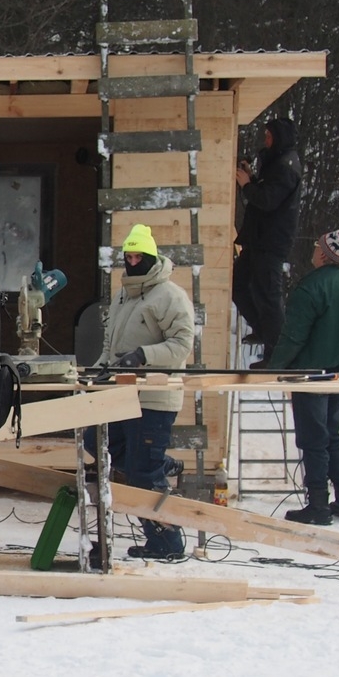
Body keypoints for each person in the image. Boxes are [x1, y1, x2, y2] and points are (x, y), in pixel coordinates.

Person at [94, 224, 196, 560]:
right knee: (98, 446)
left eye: (140, 257)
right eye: (129, 256)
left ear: (152, 258)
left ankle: (167, 543)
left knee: (141, 474)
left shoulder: (169, 296)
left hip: (154, 398)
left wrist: (144, 356)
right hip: (121, 394)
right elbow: (112, 344)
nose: (133, 262)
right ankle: (161, 463)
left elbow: (182, 344)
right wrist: (99, 369)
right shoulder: (125, 294)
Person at [267, 226, 339, 525]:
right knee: (331, 437)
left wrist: (274, 368)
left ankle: (317, 505)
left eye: (318, 246)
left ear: (326, 253)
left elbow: (294, 335)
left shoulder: (312, 287)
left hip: (312, 374)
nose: (314, 250)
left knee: (314, 440)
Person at [232, 119, 302, 351]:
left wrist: (246, 186)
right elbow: (267, 191)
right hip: (258, 239)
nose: (266, 140)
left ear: (279, 138)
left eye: (269, 136)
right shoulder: (278, 162)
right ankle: (262, 331)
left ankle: (276, 353)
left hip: (271, 242)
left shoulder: (286, 166)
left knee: (269, 298)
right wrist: (251, 179)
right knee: (239, 286)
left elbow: (268, 200)